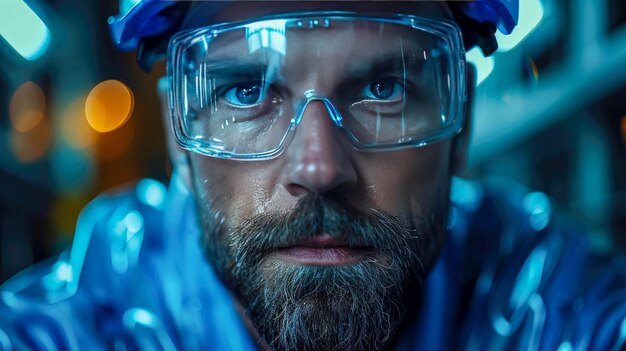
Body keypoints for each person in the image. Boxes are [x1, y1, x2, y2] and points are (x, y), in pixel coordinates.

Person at [1, 1, 625, 350]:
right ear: (177, 141)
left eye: (385, 88)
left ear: (458, 130)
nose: (319, 168)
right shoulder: (92, 324)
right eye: (246, 91)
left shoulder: (544, 305)